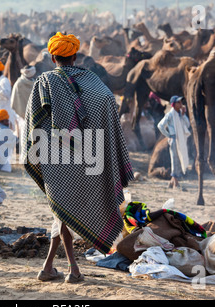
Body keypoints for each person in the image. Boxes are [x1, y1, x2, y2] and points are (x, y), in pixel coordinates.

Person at [22, 32, 134, 283]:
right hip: (89, 155)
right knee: (62, 211)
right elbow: (107, 104)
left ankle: (52, 268)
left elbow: (33, 124)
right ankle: (68, 268)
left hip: (55, 157)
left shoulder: (45, 81)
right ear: (75, 56)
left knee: (61, 210)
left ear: (53, 57)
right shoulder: (93, 81)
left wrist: (37, 153)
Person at [157, 95, 191, 189]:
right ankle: (175, 180)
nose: (181, 104)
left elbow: (187, 125)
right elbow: (160, 125)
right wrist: (169, 135)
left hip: (181, 139)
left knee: (180, 158)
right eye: (178, 102)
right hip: (174, 139)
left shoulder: (180, 114)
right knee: (175, 159)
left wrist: (184, 115)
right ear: (173, 104)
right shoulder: (170, 114)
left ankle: (173, 180)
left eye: (181, 102)